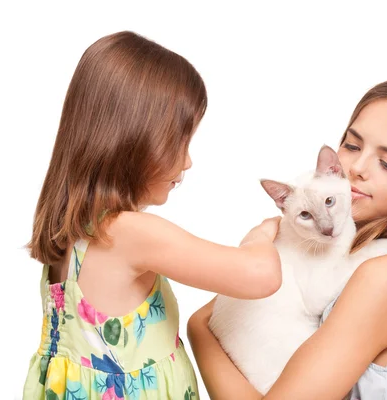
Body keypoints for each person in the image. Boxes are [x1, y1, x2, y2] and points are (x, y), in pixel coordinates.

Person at [22, 31, 282, 400]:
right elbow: (261, 276)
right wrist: (264, 232)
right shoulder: (127, 234)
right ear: (134, 139)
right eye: (180, 142)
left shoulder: (71, 234)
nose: (188, 161)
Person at [187, 78, 387, 400]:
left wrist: (198, 329)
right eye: (351, 146)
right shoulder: (356, 256)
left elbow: (212, 319)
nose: (356, 168)